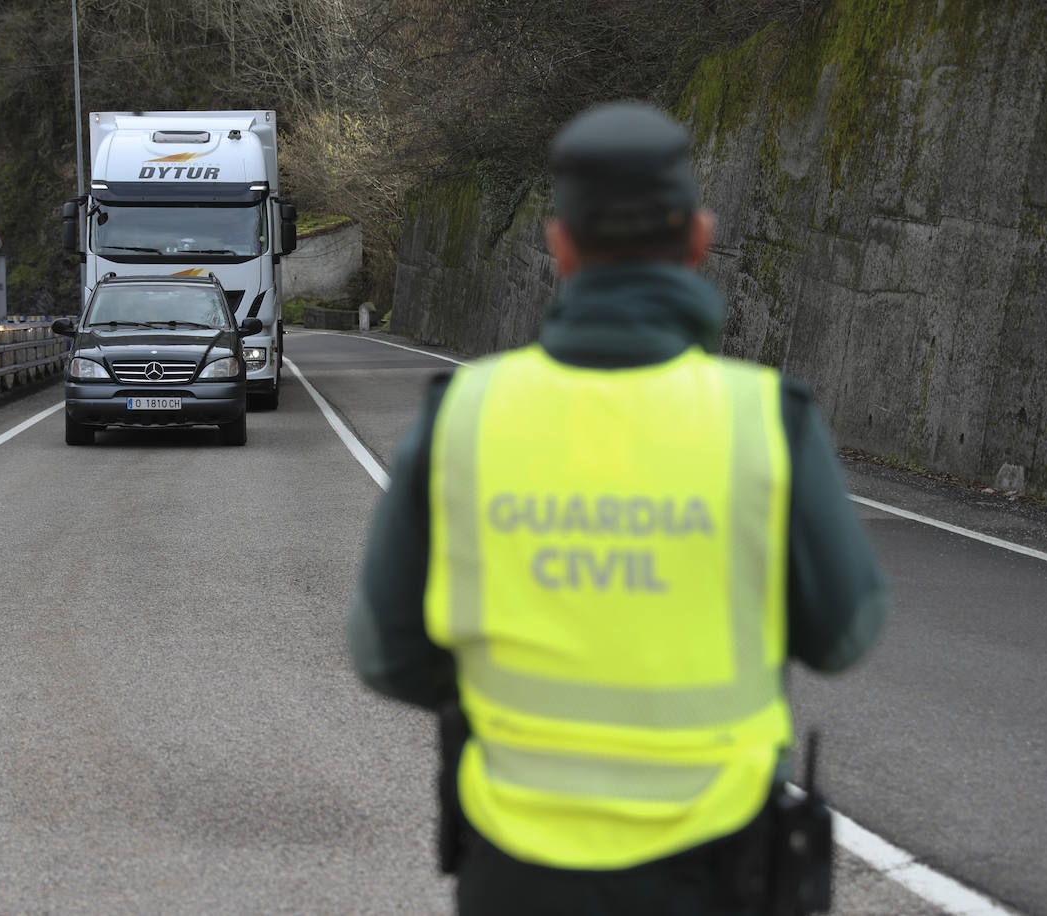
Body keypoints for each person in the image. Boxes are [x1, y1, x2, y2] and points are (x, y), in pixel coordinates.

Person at [347, 100, 888, 915]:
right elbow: (844, 635)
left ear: (559, 247)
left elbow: (387, 654)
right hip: (714, 868)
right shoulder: (767, 420)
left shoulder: (465, 415)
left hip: (514, 870)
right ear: (699, 241)